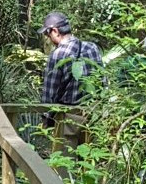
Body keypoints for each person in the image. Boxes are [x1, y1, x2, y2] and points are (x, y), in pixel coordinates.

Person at [39, 11, 104, 151]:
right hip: (93, 115)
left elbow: (49, 93)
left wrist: (45, 120)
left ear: (55, 31)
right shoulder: (92, 48)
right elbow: (102, 81)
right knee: (89, 163)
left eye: (47, 34)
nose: (47, 38)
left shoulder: (57, 55)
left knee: (63, 165)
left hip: (68, 117)